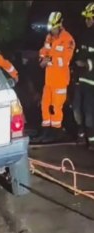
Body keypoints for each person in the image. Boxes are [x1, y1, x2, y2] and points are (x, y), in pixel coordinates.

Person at [35, 11, 75, 143]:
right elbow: (43, 51)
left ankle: (56, 132)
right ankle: (45, 131)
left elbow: (65, 60)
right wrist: (42, 59)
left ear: (59, 25)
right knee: (45, 105)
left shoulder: (68, 40)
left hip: (60, 81)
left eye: (53, 28)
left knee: (56, 108)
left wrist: (49, 59)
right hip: (49, 80)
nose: (51, 31)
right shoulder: (49, 37)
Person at [73, 2, 94, 150]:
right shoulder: (84, 34)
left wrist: (86, 63)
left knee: (89, 112)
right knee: (76, 109)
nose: (87, 21)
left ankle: (91, 140)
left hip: (92, 82)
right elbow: (77, 55)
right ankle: (81, 135)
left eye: (89, 18)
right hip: (80, 80)